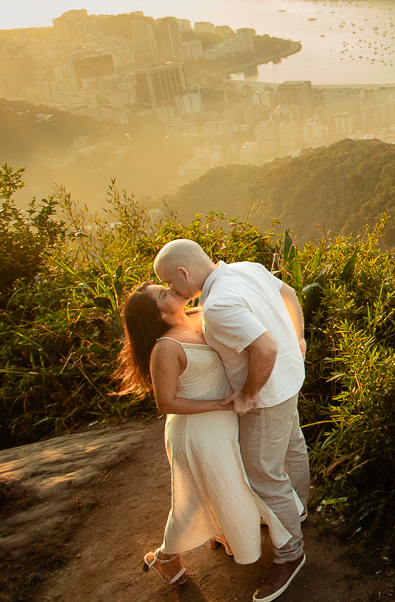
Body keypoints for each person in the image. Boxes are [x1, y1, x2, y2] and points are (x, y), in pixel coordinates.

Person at [154, 239, 310, 602]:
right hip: (290, 379)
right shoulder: (247, 268)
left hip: (268, 397)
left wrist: (249, 394)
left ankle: (291, 553)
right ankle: (297, 513)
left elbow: (265, 347)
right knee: (293, 450)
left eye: (171, 283)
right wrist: (298, 338)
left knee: (262, 476)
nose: (172, 291)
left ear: (184, 272)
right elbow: (290, 294)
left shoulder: (218, 305)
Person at [118, 282, 298, 587]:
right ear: (159, 314)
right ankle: (166, 556)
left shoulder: (202, 314)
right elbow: (166, 402)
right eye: (163, 294)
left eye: (165, 285)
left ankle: (195, 546)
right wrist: (221, 403)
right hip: (197, 432)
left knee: (226, 485)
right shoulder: (166, 347)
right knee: (202, 496)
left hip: (226, 421)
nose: (171, 289)